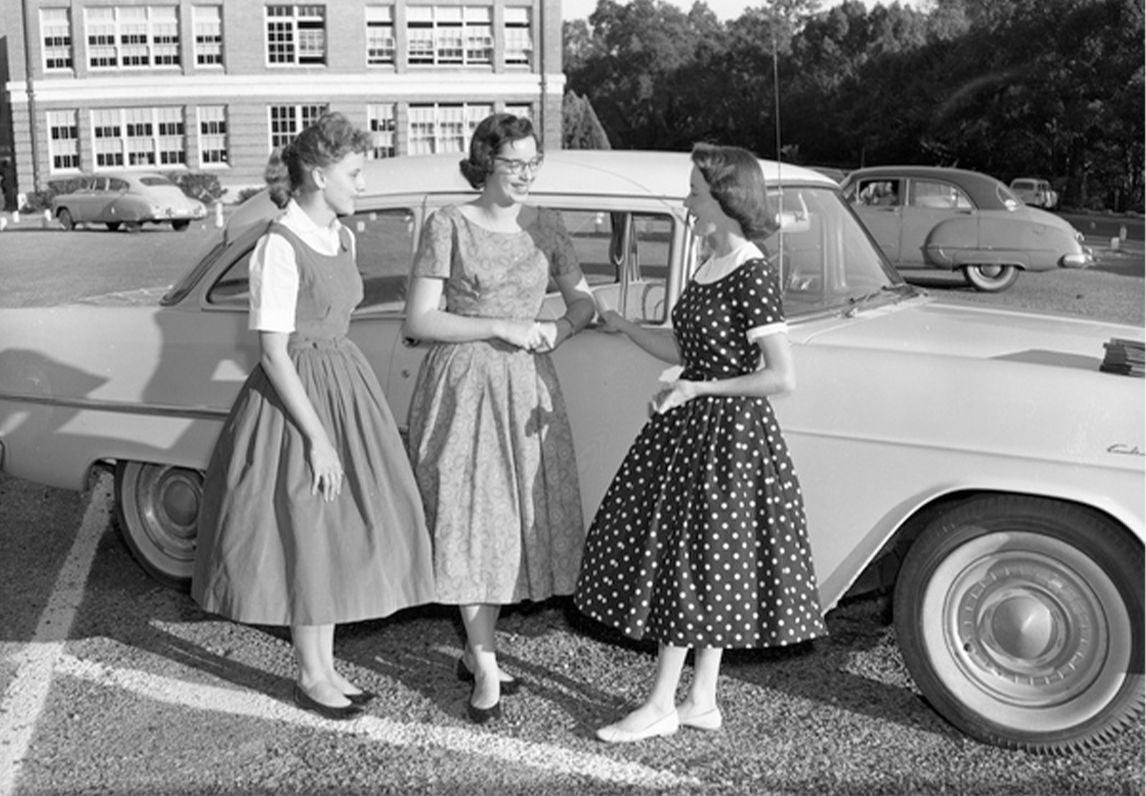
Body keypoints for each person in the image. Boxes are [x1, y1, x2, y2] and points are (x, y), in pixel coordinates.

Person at [574, 143, 827, 743]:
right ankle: (701, 700)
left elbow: (781, 378)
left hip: (730, 440)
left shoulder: (751, 269)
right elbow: (686, 350)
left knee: (688, 564)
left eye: (694, 191)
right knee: (704, 566)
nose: (687, 199)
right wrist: (626, 326)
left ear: (723, 198)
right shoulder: (710, 261)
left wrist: (697, 390)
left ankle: (661, 703)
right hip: (693, 432)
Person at [192, 112, 436, 721]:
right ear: (321, 175)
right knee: (307, 527)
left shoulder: (342, 237)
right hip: (296, 400)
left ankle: (324, 666)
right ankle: (309, 673)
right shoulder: (278, 244)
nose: (364, 185)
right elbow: (273, 354)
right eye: (356, 174)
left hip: (345, 389)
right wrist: (318, 439)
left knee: (334, 530)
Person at [404, 113, 596, 724]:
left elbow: (584, 299)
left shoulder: (549, 225)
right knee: (469, 521)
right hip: (463, 388)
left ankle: (474, 645)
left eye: (533, 163)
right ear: (485, 163)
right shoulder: (448, 224)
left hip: (527, 389)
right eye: (515, 163)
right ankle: (485, 664)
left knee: (514, 522)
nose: (526, 175)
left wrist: (561, 329)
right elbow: (420, 320)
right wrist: (500, 325)